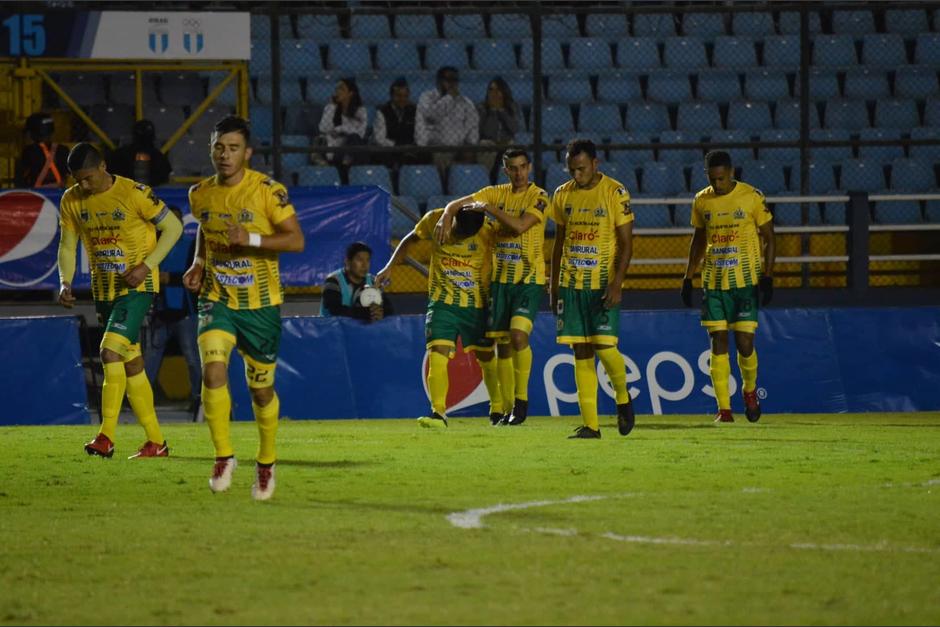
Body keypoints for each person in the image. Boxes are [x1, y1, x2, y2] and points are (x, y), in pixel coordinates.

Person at [183, 115, 305, 501]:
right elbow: (206, 226)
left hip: (261, 306)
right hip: (217, 299)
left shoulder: (269, 192)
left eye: (233, 148)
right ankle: (223, 456)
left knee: (261, 392)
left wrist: (251, 237)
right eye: (219, 146)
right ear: (212, 149)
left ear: (247, 153)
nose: (225, 154)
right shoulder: (199, 193)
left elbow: (295, 241)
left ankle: (266, 463)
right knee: (214, 372)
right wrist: (199, 262)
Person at [57, 142, 183, 458]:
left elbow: (173, 228)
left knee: (109, 353)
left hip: (136, 288)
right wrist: (65, 281)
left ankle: (106, 437)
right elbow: (68, 246)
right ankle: (157, 443)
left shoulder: (134, 193)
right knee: (132, 363)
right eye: (76, 179)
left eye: (87, 178)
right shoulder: (71, 199)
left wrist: (146, 266)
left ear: (103, 168)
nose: (82, 185)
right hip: (104, 291)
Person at [437, 148, 548, 426]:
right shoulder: (494, 192)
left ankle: (521, 402)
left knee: (518, 336)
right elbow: (455, 205)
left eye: (523, 167)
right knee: (502, 347)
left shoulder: (540, 196)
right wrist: (446, 215)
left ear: (530, 167)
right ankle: (506, 409)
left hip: (529, 280)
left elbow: (521, 226)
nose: (519, 173)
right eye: (513, 168)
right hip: (500, 282)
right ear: (505, 170)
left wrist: (490, 209)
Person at [375, 207, 501, 428]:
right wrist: (389, 267)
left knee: (487, 358)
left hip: (477, 305)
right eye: (458, 231)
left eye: (466, 235)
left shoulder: (488, 230)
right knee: (437, 353)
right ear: (452, 220)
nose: (459, 237)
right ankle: (438, 414)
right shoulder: (434, 218)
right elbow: (409, 239)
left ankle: (497, 409)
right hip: (443, 303)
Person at [549, 138, 636, 439]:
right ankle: (591, 425)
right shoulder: (562, 195)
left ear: (596, 164)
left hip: (601, 284)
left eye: (582, 169)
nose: (577, 175)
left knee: (605, 347)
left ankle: (623, 399)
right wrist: (553, 283)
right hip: (571, 285)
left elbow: (626, 243)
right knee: (580, 350)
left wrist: (617, 283)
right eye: (572, 170)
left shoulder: (615, 192)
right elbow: (560, 240)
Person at [681, 150, 776, 424]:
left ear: (732, 172)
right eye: (713, 179)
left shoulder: (751, 197)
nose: (718, 184)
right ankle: (724, 410)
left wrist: (768, 276)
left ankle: (749, 391)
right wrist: (688, 277)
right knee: (717, 341)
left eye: (722, 179)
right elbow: (698, 240)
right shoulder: (702, 200)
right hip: (713, 282)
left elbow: (769, 236)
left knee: (745, 343)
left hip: (745, 283)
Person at [143, 205, 202, 420]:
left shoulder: (190, 246)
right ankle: (141, 401)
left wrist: (171, 279)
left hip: (186, 314)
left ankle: (198, 400)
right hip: (161, 314)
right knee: (150, 360)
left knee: (193, 360)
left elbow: (198, 278)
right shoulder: (154, 246)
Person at [415, 66, 479, 177]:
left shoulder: (466, 102)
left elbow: (472, 125)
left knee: (480, 150)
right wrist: (449, 98)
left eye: (455, 80)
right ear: (439, 81)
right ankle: (445, 186)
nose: (452, 84)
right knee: (441, 154)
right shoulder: (427, 98)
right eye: (448, 80)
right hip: (436, 146)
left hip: (460, 147)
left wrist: (470, 144)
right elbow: (432, 116)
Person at [321, 241, 394, 322]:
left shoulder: (373, 282)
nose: (364, 265)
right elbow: (335, 310)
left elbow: (389, 310)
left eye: (368, 260)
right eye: (360, 260)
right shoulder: (333, 280)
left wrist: (380, 313)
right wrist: (368, 313)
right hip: (332, 331)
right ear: (347, 261)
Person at [316, 77, 367, 173]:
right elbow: (323, 128)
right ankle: (346, 167)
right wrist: (332, 106)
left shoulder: (360, 111)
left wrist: (340, 129)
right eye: (337, 89)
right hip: (335, 151)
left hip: (353, 149)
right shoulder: (331, 108)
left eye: (341, 89)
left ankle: (346, 166)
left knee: (354, 139)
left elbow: (360, 134)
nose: (337, 91)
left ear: (350, 93)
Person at [372, 77, 421, 172]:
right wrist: (398, 146)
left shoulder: (415, 111)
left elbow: (421, 134)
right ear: (391, 96)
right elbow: (379, 139)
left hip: (410, 149)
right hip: (390, 149)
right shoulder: (382, 112)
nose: (402, 99)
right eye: (398, 95)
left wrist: (415, 146)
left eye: (405, 96)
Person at [107, 119, 173, 188]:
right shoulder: (159, 157)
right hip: (150, 194)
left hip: (124, 193)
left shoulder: (119, 154)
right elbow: (165, 178)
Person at [476, 78, 520, 177]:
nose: (494, 93)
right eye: (491, 90)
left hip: (507, 142)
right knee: (485, 145)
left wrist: (501, 112)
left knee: (513, 147)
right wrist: (492, 112)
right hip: (488, 142)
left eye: (498, 90)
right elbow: (482, 130)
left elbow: (514, 128)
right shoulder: (482, 108)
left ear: (504, 92)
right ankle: (485, 178)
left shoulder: (511, 108)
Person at [16, 112, 70, 188]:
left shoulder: (29, 152)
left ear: (32, 133)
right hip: (59, 194)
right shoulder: (63, 150)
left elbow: (20, 180)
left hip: (37, 195)